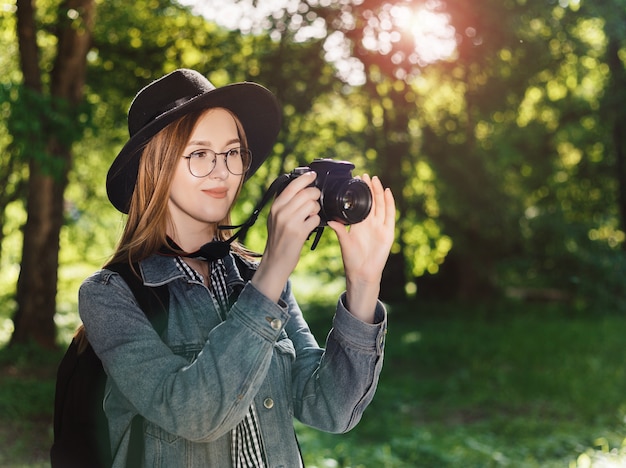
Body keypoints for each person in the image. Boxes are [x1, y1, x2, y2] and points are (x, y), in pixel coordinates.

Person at [79, 68, 396, 467]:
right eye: (199, 153)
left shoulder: (255, 276)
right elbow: (193, 414)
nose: (222, 170)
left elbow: (330, 409)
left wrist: (364, 282)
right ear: (154, 166)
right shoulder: (110, 293)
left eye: (232, 152)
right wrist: (273, 270)